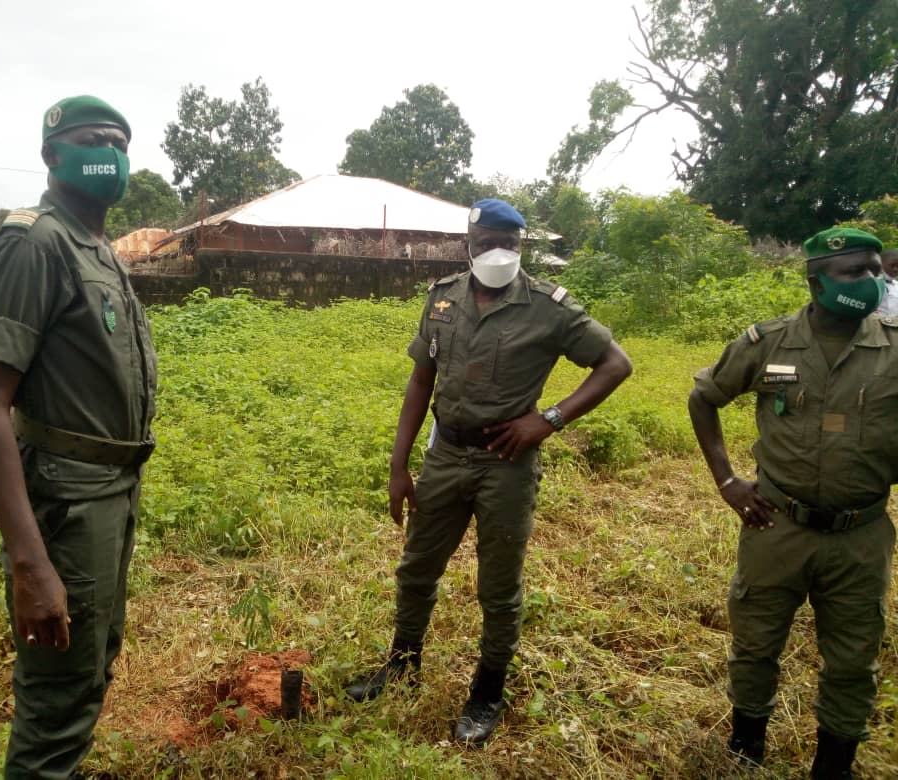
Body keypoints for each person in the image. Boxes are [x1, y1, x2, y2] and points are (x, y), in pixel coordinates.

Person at [347, 198, 633, 745]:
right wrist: (399, 465)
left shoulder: (549, 307)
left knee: (498, 587)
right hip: (445, 455)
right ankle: (403, 664)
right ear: (468, 245)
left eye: (509, 243)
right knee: (416, 569)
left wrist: (548, 420)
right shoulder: (442, 298)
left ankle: (488, 691)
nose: (497, 252)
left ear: (521, 245)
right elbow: (421, 381)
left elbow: (616, 364)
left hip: (506, 463)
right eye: (486, 243)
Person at [0, 95, 157, 779]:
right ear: (52, 155)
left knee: (90, 667)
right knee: (57, 702)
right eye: (94, 140)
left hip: (110, 491)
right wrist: (30, 564)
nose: (111, 155)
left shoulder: (95, 248)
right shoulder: (34, 242)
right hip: (67, 504)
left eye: (121, 144)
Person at [688, 227, 895, 779]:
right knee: (756, 643)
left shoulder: (895, 347)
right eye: (855, 272)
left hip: (861, 535)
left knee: (854, 660)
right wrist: (727, 481)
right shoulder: (770, 342)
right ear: (818, 282)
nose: (871, 281)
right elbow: (704, 398)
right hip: (776, 525)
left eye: (876, 270)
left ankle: (834, 764)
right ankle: (746, 747)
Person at [875, 248, 898, 316]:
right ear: (880, 263)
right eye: (892, 265)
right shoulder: (872, 283)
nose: (896, 269)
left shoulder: (896, 285)